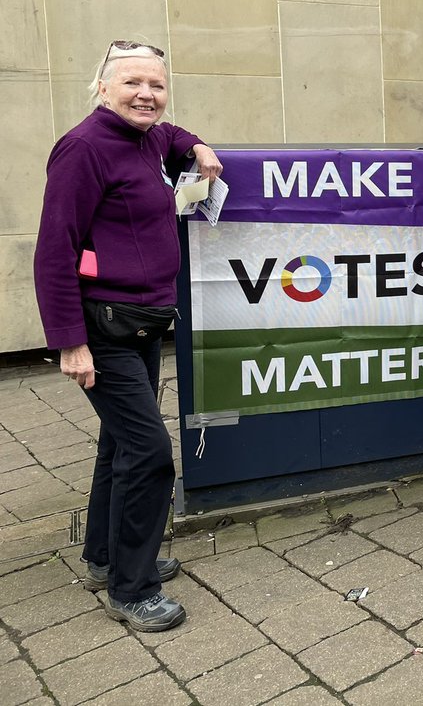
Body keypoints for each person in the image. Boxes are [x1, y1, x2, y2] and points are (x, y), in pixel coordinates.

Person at [34, 40, 222, 632]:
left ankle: (105, 555)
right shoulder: (83, 148)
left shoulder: (146, 138)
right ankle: (132, 588)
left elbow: (167, 136)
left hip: (143, 324)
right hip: (103, 329)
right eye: (133, 83)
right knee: (148, 453)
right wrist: (69, 341)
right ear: (102, 87)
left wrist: (196, 143)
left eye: (157, 86)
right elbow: (53, 251)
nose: (147, 94)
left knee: (118, 445)